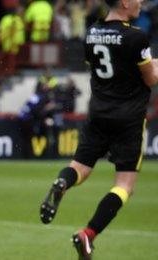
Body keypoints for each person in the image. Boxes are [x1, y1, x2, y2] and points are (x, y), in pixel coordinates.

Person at [39, 0, 158, 259]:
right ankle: (88, 234)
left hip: (98, 114)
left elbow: (111, 64)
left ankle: (63, 183)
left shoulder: (92, 32)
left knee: (79, 167)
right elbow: (150, 78)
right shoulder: (136, 36)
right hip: (128, 120)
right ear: (125, 3)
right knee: (125, 185)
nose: (140, 2)